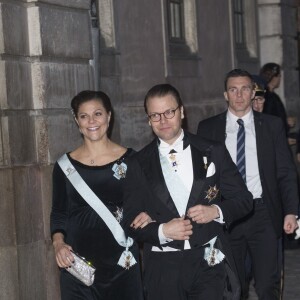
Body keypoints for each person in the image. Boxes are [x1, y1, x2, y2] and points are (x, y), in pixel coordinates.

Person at [123, 83, 253, 300]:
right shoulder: (138, 163)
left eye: (169, 112)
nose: (163, 120)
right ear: (148, 120)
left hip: (208, 262)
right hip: (164, 268)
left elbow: (244, 200)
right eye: (155, 115)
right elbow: (129, 221)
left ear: (182, 112)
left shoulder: (212, 150)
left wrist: (216, 211)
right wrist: (162, 230)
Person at [197, 69, 299, 300]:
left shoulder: (271, 126)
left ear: (253, 93)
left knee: (267, 285)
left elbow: (285, 172)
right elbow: (200, 176)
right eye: (233, 89)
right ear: (226, 94)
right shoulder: (208, 128)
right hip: (226, 215)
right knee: (232, 285)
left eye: (244, 89)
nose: (239, 95)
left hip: (262, 213)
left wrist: (291, 211)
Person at [50, 90, 147, 300]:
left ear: (109, 116)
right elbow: (59, 212)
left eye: (98, 114)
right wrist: (58, 243)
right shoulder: (64, 167)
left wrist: (148, 215)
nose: (91, 121)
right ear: (77, 120)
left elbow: (147, 204)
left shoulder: (132, 160)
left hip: (122, 263)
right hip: (79, 266)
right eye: (84, 116)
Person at [259, 62, 296, 144]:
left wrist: (286, 122)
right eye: (279, 76)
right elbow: (267, 123)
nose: (280, 79)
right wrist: (281, 141)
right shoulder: (265, 97)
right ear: (273, 77)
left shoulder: (274, 96)